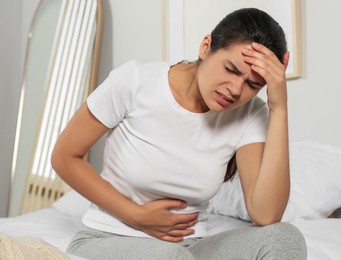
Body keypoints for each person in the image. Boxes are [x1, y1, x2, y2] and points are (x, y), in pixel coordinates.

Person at [51, 7, 307, 259]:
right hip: (108, 237)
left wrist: (279, 107)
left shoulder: (251, 113)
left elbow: (266, 215)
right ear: (206, 47)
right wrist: (135, 215)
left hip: (191, 247)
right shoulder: (136, 81)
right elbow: (65, 156)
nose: (236, 90)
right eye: (230, 69)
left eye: (253, 84)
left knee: (284, 238)